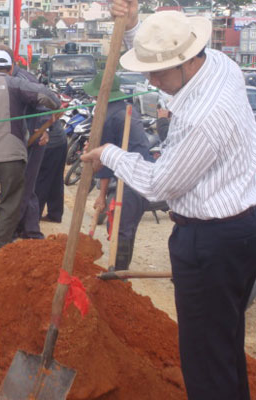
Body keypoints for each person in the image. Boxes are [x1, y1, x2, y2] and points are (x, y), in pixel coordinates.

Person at [82, 7, 256, 400]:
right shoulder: (219, 65)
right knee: (222, 346)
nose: (149, 80)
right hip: (240, 230)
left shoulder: (203, 117)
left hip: (211, 243)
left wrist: (111, 154)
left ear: (186, 63)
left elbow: (160, 185)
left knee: (206, 361)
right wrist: (133, 30)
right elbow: (165, 68)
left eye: (157, 72)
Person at [0, 49, 60, 260]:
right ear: (10, 68)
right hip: (12, 156)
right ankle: (0, 249)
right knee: (10, 202)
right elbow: (49, 97)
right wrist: (52, 107)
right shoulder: (15, 83)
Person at [84, 71, 152, 270]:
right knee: (125, 228)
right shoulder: (124, 108)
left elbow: (104, 162)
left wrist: (102, 195)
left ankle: (118, 272)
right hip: (141, 173)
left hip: (132, 177)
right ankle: (119, 270)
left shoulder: (108, 116)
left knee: (121, 228)